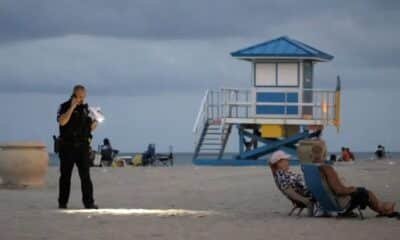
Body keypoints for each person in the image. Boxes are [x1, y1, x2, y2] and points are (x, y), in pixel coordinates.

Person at [312, 144, 398, 217]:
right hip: (339, 202)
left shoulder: (311, 168)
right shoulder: (327, 168)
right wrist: (352, 189)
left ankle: (383, 207)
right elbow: (338, 190)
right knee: (365, 192)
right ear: (324, 153)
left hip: (325, 201)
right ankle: (383, 209)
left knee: (364, 192)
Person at [57, 85, 99, 209]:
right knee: (65, 176)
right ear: (74, 95)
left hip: (82, 147)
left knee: (85, 176)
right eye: (80, 97)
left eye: (83, 97)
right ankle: (63, 202)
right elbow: (62, 121)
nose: (82, 100)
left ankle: (89, 203)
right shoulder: (64, 106)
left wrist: (96, 121)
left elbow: (89, 129)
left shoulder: (86, 109)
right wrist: (72, 107)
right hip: (67, 146)